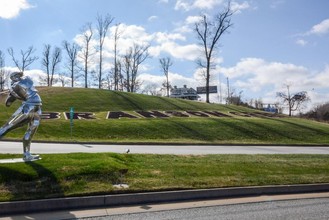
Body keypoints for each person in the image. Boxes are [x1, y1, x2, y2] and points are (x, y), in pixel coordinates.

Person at [0, 72, 42, 161]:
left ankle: (27, 154)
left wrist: (11, 94)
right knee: (7, 127)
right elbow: (8, 103)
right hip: (28, 107)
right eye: (16, 76)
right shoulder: (18, 84)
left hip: (37, 108)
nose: (19, 77)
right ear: (13, 78)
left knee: (30, 132)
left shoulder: (23, 82)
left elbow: (8, 103)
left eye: (19, 75)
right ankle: (26, 154)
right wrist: (11, 94)